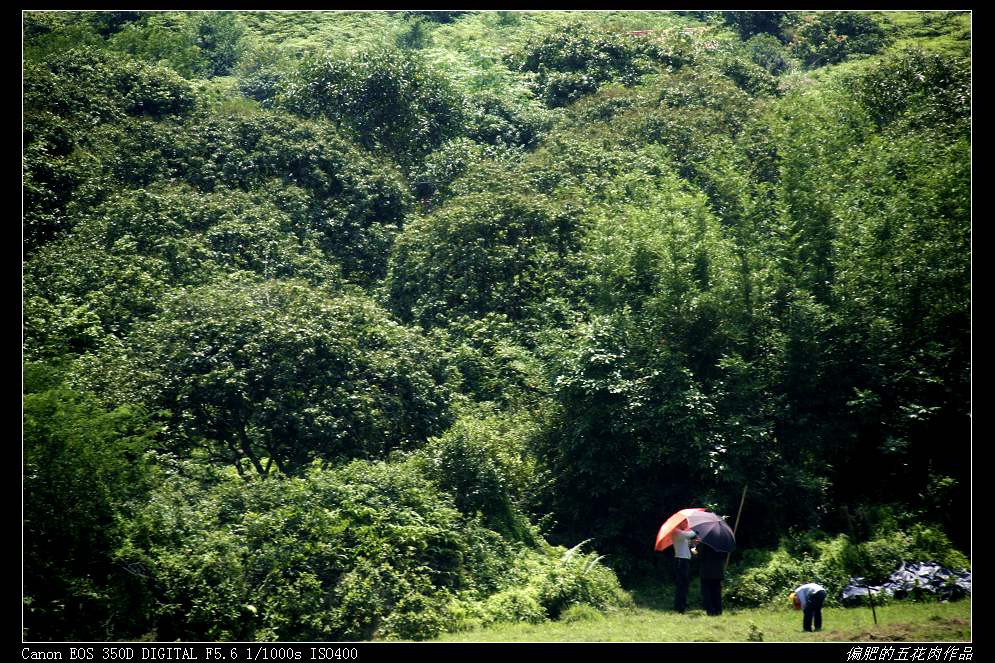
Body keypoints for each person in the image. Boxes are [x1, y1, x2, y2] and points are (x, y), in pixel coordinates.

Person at [672, 524, 697, 613]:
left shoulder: (682, 534)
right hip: (681, 561)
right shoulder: (676, 531)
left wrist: (694, 545)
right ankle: (680, 607)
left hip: (685, 561)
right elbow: (689, 534)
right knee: (682, 585)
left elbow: (693, 550)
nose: (685, 524)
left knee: (684, 585)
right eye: (684, 523)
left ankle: (681, 605)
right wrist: (697, 530)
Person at [697, 540, 724, 616]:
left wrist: (693, 548)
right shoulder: (720, 543)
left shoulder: (703, 543)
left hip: (706, 572)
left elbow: (698, 556)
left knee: (706, 593)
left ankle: (710, 611)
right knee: (717, 592)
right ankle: (718, 610)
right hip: (718, 571)